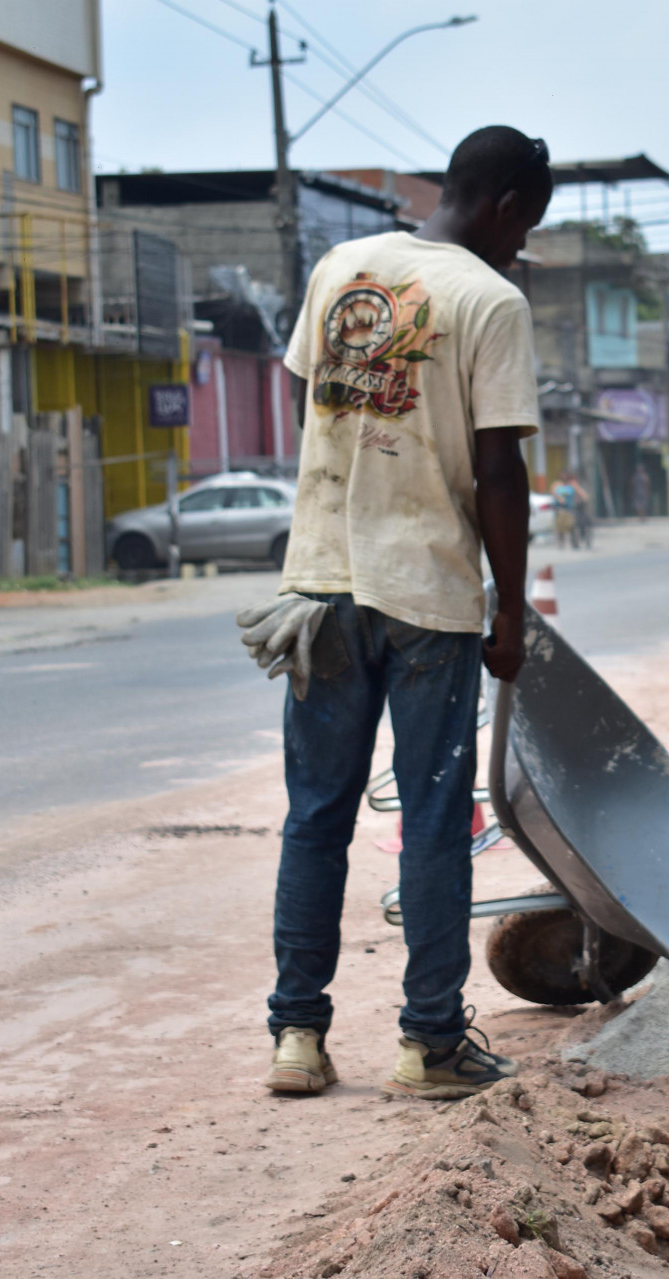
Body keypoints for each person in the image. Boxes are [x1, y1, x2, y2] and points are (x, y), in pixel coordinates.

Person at [259, 125, 548, 1102]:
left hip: (320, 587)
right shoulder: (490, 300)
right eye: (526, 228)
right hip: (428, 596)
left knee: (315, 818)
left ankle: (297, 1036)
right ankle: (429, 1044)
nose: (521, 246)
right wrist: (512, 612)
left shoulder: (341, 267)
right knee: (431, 820)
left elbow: (311, 399)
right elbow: (500, 472)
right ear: (506, 206)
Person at [552, 472, 578, 548]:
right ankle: (561, 543)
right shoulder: (556, 484)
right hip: (559, 508)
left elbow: (576, 494)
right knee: (560, 527)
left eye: (566, 476)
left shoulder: (571, 485)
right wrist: (559, 498)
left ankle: (574, 543)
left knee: (572, 525)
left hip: (569, 508)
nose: (564, 478)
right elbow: (553, 493)